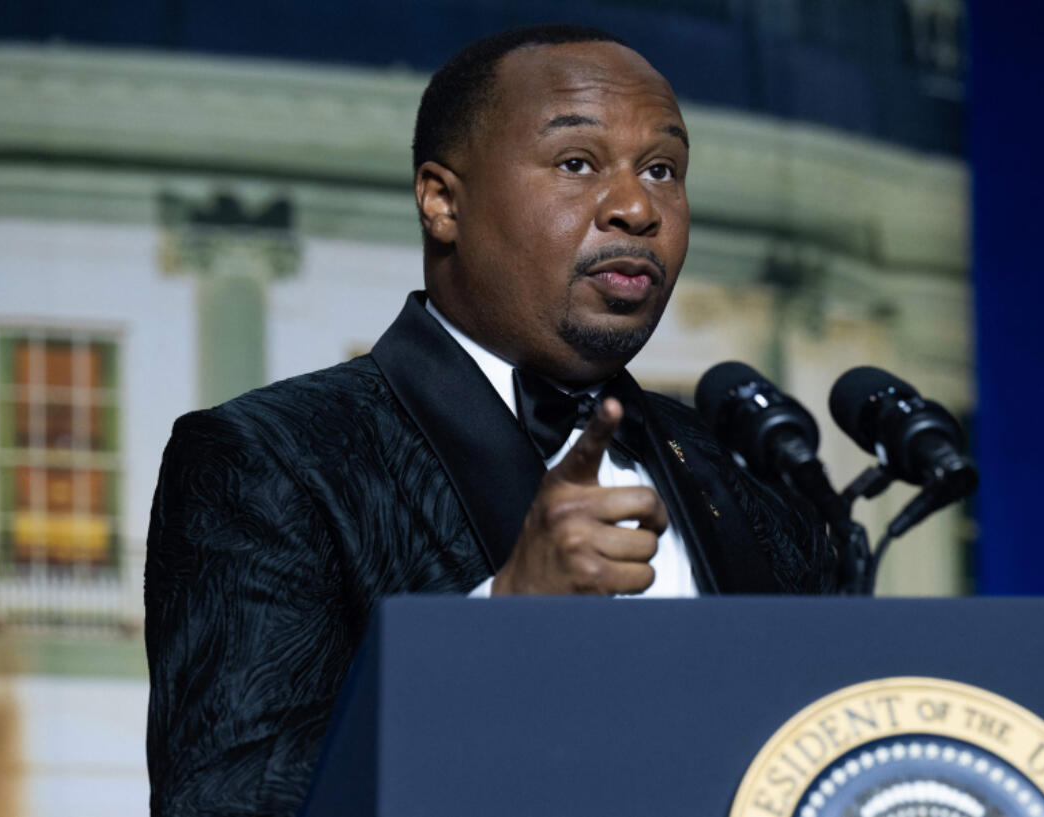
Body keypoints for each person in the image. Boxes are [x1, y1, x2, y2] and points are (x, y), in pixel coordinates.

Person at [144, 24, 834, 817]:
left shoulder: (747, 476)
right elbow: (226, 799)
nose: (638, 206)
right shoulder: (267, 459)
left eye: (663, 169)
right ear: (442, 200)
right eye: (578, 163)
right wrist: (503, 626)